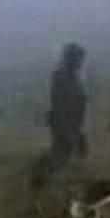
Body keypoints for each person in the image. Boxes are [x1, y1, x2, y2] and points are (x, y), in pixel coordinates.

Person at [46, 42, 89, 175]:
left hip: (73, 124)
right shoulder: (61, 77)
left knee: (79, 154)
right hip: (64, 125)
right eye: (78, 58)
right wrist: (67, 128)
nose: (80, 62)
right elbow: (60, 104)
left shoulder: (74, 77)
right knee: (62, 158)